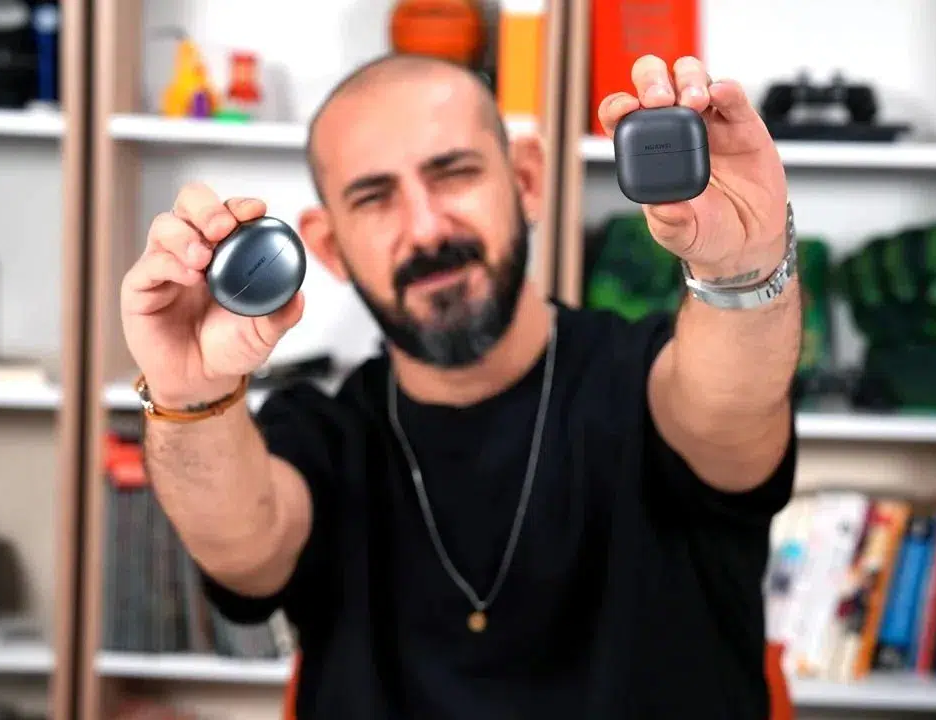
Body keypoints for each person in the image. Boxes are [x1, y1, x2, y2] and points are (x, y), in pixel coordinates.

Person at [120, 51, 800, 719]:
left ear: (526, 181)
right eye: (375, 197)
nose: (425, 229)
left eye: (453, 174)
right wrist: (190, 394)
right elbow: (247, 549)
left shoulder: (650, 376)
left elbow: (728, 410)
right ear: (327, 247)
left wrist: (741, 271)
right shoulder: (324, 432)